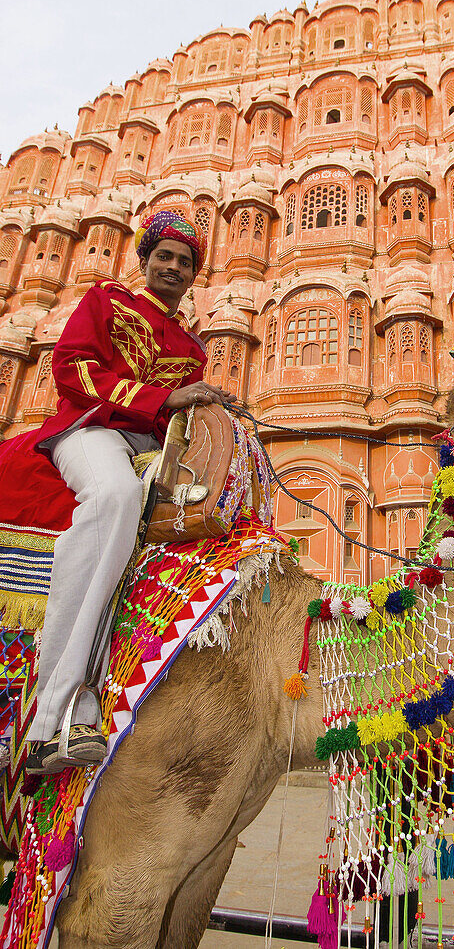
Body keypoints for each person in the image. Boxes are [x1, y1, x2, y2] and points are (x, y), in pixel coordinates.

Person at [15, 209, 235, 774]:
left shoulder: (192, 348)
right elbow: (72, 369)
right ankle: (54, 715)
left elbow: (182, 425)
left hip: (149, 449)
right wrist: (162, 401)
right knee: (111, 498)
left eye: (185, 262)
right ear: (145, 259)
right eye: (164, 256)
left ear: (193, 276)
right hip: (90, 429)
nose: (173, 267)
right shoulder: (107, 302)